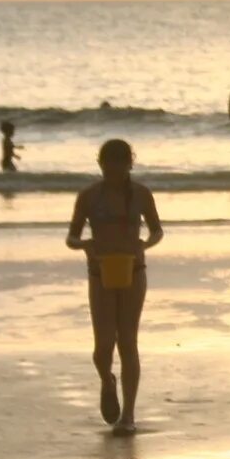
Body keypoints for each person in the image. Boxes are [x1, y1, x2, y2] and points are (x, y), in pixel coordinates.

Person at [66, 139, 163, 434]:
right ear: (101, 165)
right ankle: (108, 381)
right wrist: (85, 245)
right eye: (109, 166)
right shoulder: (88, 197)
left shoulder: (141, 195)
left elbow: (157, 230)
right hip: (100, 272)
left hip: (134, 270)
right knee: (103, 346)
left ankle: (129, 415)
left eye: (120, 165)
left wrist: (146, 243)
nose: (114, 171)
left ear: (129, 164)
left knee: (128, 341)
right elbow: (71, 238)